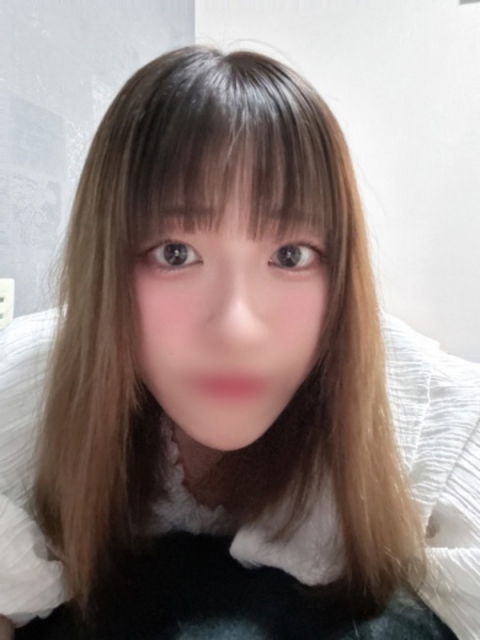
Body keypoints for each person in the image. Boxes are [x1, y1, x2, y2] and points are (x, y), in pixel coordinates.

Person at [0, 45, 479, 639]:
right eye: (176, 253)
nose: (236, 327)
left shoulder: (433, 422)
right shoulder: (27, 388)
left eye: (290, 255)